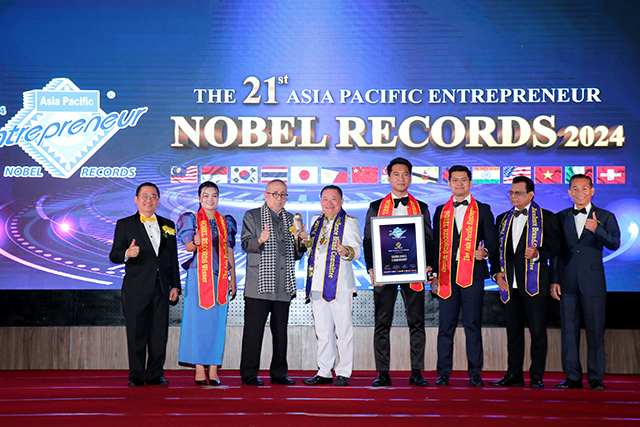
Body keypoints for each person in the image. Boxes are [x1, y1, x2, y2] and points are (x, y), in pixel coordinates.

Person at [364, 157, 436, 387]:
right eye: (396, 174)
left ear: (410, 177)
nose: (401, 178)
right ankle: (382, 373)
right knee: (382, 323)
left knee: (417, 322)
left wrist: (429, 264)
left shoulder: (421, 207)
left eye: (405, 174)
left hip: (414, 272)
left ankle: (417, 372)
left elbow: (429, 239)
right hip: (385, 272)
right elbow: (368, 240)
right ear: (389, 177)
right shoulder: (376, 206)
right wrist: (371, 267)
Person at [489, 176, 560, 388]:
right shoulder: (502, 218)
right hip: (509, 285)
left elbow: (556, 246)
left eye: (518, 193)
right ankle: (514, 374)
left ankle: (536, 376)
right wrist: (496, 273)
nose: (513, 196)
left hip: (534, 283)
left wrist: (538, 253)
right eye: (511, 193)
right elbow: (495, 252)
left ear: (531, 194)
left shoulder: (546, 217)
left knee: (537, 332)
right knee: (513, 332)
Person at [551, 174, 620, 390]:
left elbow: (614, 243)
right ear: (569, 192)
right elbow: (556, 252)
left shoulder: (606, 216)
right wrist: (554, 280)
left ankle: (596, 377)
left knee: (595, 331)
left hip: (593, 282)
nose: (579, 192)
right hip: (567, 281)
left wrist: (596, 229)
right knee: (568, 331)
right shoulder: (560, 217)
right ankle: (572, 377)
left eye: (584, 188)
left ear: (592, 191)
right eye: (575, 189)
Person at [430, 165, 497, 387]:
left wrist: (485, 252)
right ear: (449, 183)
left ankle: (475, 373)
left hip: (473, 276)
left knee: (473, 324)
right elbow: (436, 246)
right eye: (455, 180)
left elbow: (492, 242)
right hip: (446, 276)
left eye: (463, 180)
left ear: (470, 183)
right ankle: (443, 373)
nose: (459, 184)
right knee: (445, 327)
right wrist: (434, 275)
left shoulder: (483, 209)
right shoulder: (441, 211)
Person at [109, 182, 180, 387]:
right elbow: (114, 254)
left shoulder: (168, 224)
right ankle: (137, 375)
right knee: (136, 333)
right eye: (145, 196)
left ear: (158, 200)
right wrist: (127, 253)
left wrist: (175, 285)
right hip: (136, 288)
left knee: (159, 333)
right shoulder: (125, 224)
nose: (149, 200)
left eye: (153, 196)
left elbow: (172, 257)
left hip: (161, 287)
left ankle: (156, 374)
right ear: (136, 199)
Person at [239, 179, 306, 386]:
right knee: (253, 333)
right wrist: (260, 240)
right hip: (258, 285)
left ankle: (279, 373)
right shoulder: (252, 215)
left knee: (280, 334)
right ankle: (249, 374)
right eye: (274, 194)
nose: (279, 198)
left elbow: (297, 254)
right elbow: (245, 244)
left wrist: (301, 241)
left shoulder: (292, 219)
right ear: (266, 195)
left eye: (283, 194)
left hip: (283, 284)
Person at [176, 181, 237, 386]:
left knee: (216, 323)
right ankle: (199, 369)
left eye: (214, 195)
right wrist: (195, 242)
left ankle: (213, 368)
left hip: (221, 276)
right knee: (198, 322)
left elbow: (228, 251)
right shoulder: (191, 219)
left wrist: (233, 277)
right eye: (206, 195)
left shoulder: (225, 222)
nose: (210, 199)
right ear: (199, 198)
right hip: (198, 276)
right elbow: (189, 247)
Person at [302, 186, 362, 387]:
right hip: (317, 285)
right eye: (325, 199)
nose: (329, 203)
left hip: (340, 286)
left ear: (341, 201)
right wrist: (305, 242)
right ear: (320, 201)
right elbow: (313, 250)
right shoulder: (315, 221)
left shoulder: (350, 222)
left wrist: (347, 251)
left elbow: (357, 249)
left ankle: (343, 372)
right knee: (323, 331)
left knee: (343, 331)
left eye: (333, 199)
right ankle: (324, 371)